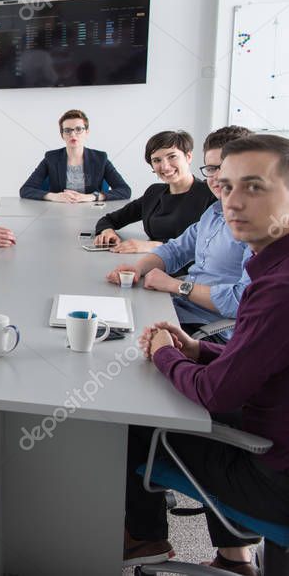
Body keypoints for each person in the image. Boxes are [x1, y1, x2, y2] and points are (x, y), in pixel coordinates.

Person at [124, 134, 289, 574]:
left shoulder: (277, 287)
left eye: (254, 187)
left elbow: (216, 393)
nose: (232, 199)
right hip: (271, 430)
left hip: (274, 477)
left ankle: (145, 538)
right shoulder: (273, 266)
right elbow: (261, 364)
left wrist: (164, 354)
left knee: (129, 423)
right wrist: (199, 350)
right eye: (225, 183)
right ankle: (234, 560)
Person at [105, 126, 253, 340]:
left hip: (209, 330)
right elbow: (175, 249)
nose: (215, 177)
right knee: (107, 321)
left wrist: (176, 285)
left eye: (224, 167)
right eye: (211, 169)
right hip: (179, 308)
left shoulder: (258, 230)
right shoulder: (213, 212)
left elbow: (242, 302)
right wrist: (137, 269)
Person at [95, 130, 216, 253]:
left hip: (187, 270)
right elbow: (109, 220)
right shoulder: (154, 192)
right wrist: (107, 232)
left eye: (172, 156)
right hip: (149, 263)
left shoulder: (209, 194)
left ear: (188, 157)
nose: (165, 166)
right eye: (157, 160)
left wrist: (152, 246)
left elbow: (210, 244)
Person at [20, 109, 131, 202]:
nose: (73, 134)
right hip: (58, 212)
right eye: (67, 130)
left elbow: (125, 190)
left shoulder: (100, 158)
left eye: (78, 129)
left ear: (87, 132)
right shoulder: (51, 158)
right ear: (62, 135)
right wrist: (54, 196)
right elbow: (26, 189)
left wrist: (93, 196)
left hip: (91, 212)